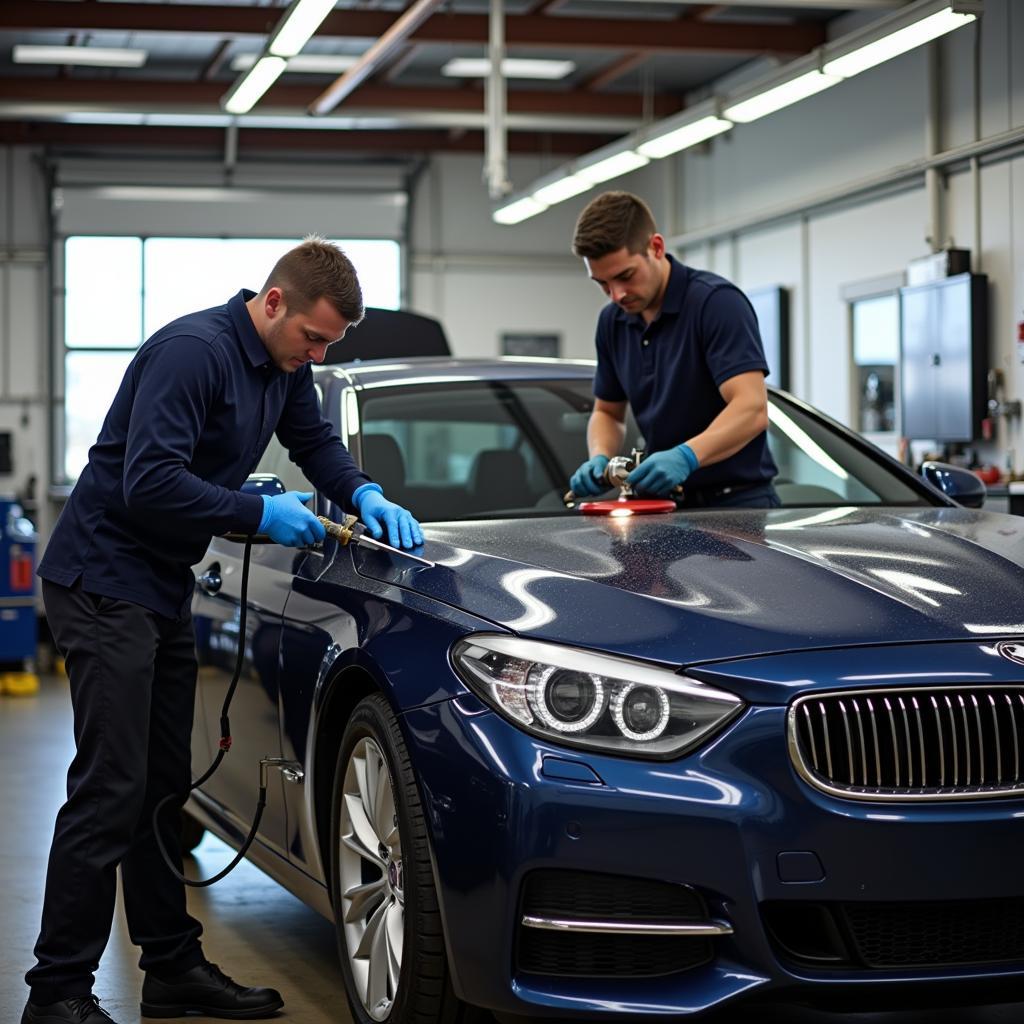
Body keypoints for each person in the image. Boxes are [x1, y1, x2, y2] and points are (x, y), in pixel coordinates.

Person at [23, 237, 423, 1024]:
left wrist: (364, 490)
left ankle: (169, 966)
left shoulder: (284, 366)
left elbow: (315, 444)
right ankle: (57, 992)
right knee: (111, 788)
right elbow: (149, 480)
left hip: (159, 585)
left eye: (328, 347)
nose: (315, 354)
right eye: (312, 338)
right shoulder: (191, 353)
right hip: (103, 580)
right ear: (273, 302)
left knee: (161, 787)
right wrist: (258, 514)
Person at [568, 191, 779, 509]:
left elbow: (751, 408)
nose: (617, 295)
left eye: (625, 276)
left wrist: (687, 456)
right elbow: (607, 412)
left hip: (738, 505)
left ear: (656, 247)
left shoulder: (716, 304)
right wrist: (600, 455)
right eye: (603, 283)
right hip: (665, 506)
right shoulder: (613, 322)